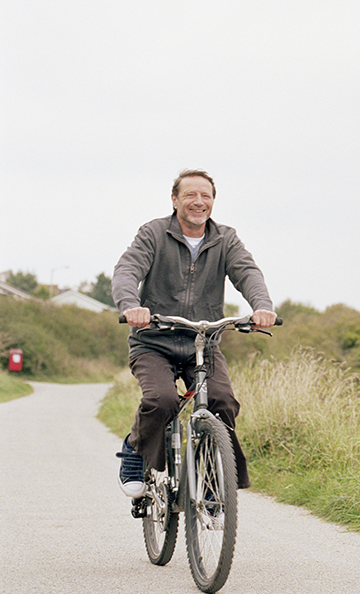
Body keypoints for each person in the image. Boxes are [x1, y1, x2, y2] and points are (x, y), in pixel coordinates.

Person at [111, 169, 277, 498]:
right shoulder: (154, 234)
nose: (198, 202)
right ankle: (135, 450)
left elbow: (247, 272)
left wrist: (262, 306)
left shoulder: (225, 238)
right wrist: (131, 305)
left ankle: (215, 482)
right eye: (190, 195)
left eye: (206, 196)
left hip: (202, 343)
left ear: (213, 202)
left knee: (222, 401)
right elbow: (128, 269)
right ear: (175, 200)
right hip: (153, 342)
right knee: (162, 400)